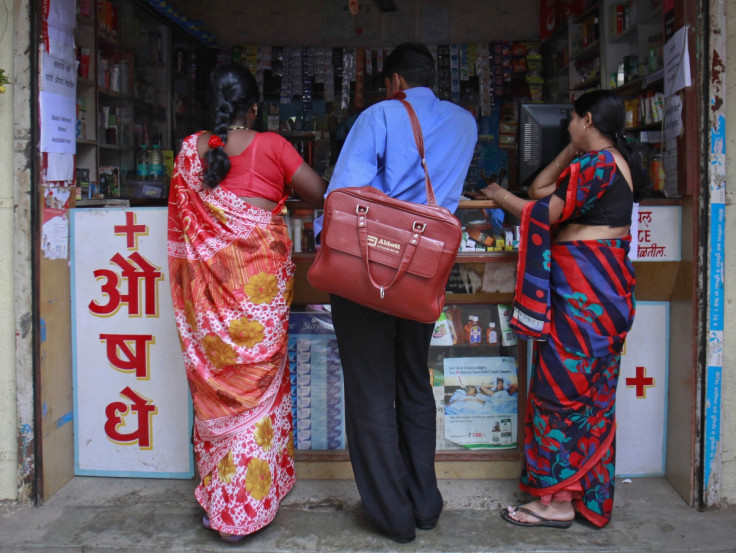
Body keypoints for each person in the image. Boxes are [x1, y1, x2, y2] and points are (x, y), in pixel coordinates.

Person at [313, 42, 478, 543]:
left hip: (368, 273)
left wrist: (322, 229)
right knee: (413, 380)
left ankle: (392, 515)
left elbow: (345, 197)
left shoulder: (380, 115)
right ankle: (425, 503)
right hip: (425, 274)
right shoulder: (466, 123)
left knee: (369, 390)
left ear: (396, 83)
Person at [167, 64, 326, 543]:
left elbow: (180, 232)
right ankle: (250, 502)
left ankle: (222, 497)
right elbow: (320, 194)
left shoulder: (191, 151)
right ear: (253, 107)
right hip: (260, 298)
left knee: (219, 389)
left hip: (209, 301)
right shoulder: (273, 145)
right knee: (258, 387)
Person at [479, 89, 647, 529]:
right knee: (590, 398)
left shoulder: (599, 165)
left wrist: (498, 196)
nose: (568, 123)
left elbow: (541, 210)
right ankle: (584, 496)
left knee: (559, 395)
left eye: (573, 118)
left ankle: (555, 502)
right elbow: (540, 187)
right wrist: (572, 146)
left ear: (587, 118)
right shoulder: (605, 163)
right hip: (601, 294)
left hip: (584, 299)